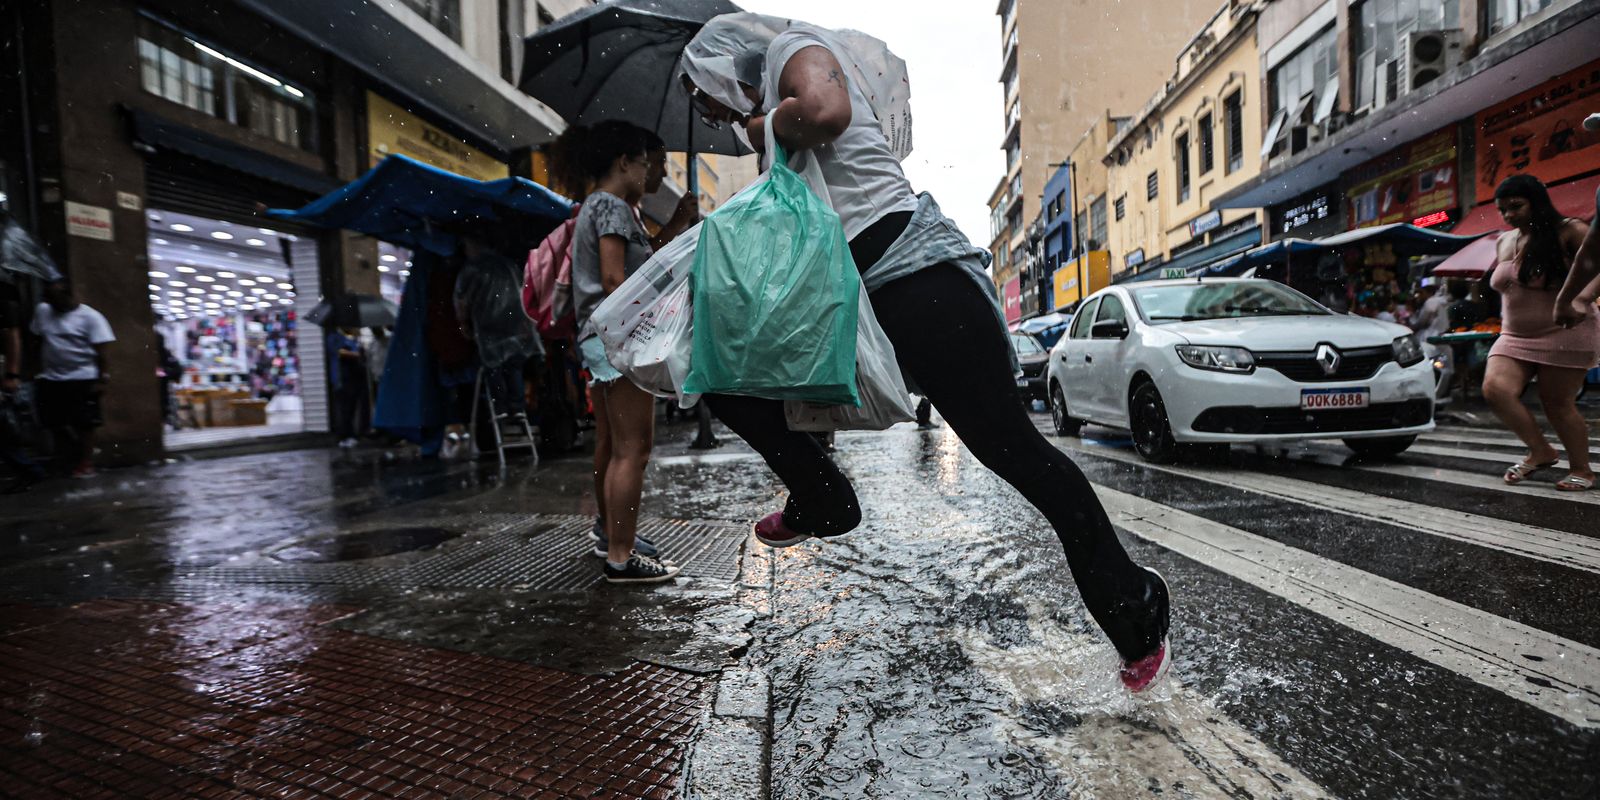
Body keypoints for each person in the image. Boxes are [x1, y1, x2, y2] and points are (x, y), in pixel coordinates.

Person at [680, 14, 1170, 691]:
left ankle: (1135, 608)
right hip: (866, 300)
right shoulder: (770, 106)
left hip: (923, 285)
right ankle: (821, 495)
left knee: (1016, 455)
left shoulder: (792, 52)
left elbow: (825, 110)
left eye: (704, 97)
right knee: (718, 370)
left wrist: (763, 130)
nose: (711, 116)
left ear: (719, 69)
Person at [549, 120, 681, 584]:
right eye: (644, 163)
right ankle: (621, 558)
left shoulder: (596, 206)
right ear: (624, 162)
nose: (648, 172)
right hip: (619, 341)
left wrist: (676, 227)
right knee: (634, 450)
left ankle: (611, 535)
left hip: (598, 341)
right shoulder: (614, 207)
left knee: (610, 444)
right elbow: (613, 281)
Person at [1481, 175, 1598, 492]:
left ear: (1537, 201)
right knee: (1495, 389)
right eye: (1502, 210)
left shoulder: (1569, 231)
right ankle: (1540, 450)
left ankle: (1582, 470)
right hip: (1514, 336)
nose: (1509, 216)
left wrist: (1581, 299)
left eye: (1516, 207)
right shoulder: (1504, 241)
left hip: (1565, 330)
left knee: (1557, 404)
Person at [454, 229, 544, 428]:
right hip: (517, 327)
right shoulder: (507, 265)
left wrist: (464, 325)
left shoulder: (473, 269)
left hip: (490, 328)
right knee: (513, 367)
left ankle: (503, 409)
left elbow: (462, 301)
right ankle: (517, 408)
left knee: (495, 368)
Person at [30, 277, 114, 478]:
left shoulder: (91, 317)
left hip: (83, 377)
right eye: (50, 299)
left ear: (69, 296)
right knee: (52, 421)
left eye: (57, 298)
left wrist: (102, 379)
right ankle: (65, 458)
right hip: (52, 378)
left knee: (85, 424)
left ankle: (85, 462)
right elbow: (36, 338)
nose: (53, 304)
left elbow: (102, 352)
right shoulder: (43, 311)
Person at [327, 326, 366, 449]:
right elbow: (338, 351)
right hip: (342, 379)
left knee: (352, 408)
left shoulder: (353, 339)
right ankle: (345, 435)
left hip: (353, 379)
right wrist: (355, 354)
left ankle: (351, 434)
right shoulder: (334, 337)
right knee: (344, 409)